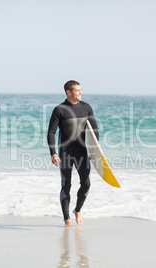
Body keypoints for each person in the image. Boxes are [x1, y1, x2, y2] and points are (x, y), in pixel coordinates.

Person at [47, 80, 99, 227]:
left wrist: (94, 150)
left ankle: (77, 210)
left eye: (81, 90)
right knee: (66, 185)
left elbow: (94, 130)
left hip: (82, 152)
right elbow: (51, 132)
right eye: (77, 90)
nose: (81, 93)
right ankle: (66, 219)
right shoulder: (60, 109)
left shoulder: (86, 108)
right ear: (68, 92)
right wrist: (53, 153)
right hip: (65, 153)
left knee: (86, 184)